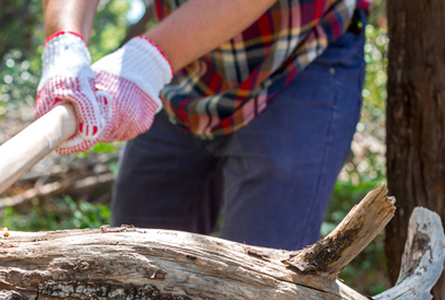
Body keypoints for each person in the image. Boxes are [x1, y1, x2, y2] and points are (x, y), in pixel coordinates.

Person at [35, 0, 369, 251]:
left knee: (258, 288)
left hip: (300, 51)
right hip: (183, 63)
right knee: (135, 265)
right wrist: (65, 44)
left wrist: (148, 62)